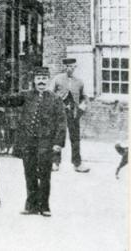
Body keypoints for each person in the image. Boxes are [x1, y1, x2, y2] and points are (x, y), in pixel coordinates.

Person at [15, 67, 67, 217]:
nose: (41, 81)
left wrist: (58, 143)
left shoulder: (55, 99)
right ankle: (31, 205)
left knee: (44, 175)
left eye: (44, 78)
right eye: (38, 78)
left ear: (48, 80)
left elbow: (61, 123)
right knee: (29, 173)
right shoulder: (26, 96)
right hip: (29, 143)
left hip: (46, 143)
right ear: (34, 81)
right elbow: (9, 100)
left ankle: (44, 206)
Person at [51, 58, 90, 173]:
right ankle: (55, 162)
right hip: (59, 113)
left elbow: (84, 98)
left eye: (74, 67)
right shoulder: (57, 79)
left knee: (75, 139)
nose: (72, 69)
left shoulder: (79, 81)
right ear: (65, 67)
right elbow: (49, 95)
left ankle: (77, 164)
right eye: (70, 66)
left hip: (73, 114)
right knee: (58, 137)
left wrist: (82, 108)